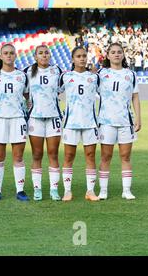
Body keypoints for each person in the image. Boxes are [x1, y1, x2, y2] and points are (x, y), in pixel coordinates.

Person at [97, 43, 141, 200]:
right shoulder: (101, 74)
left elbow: (135, 97)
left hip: (125, 121)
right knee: (105, 156)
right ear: (107, 56)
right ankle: (103, 191)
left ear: (123, 55)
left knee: (125, 156)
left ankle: (126, 190)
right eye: (113, 52)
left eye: (119, 52)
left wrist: (138, 117)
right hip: (106, 121)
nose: (116, 54)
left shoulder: (130, 74)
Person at [0, 44, 29, 201]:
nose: (9, 55)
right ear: (1, 56)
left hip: (18, 119)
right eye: (6, 53)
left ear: (16, 55)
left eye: (11, 53)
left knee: (18, 157)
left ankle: (20, 191)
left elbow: (27, 97)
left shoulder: (22, 76)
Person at [59, 47, 100, 202]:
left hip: (90, 123)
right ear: (72, 59)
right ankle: (67, 191)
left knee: (90, 156)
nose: (82, 58)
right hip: (71, 122)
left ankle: (90, 191)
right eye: (78, 56)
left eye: (84, 56)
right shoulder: (65, 76)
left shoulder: (94, 77)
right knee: (69, 156)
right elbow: (52, 91)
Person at [23, 45, 63, 201]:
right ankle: (37, 189)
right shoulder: (27, 72)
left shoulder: (57, 71)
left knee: (53, 153)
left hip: (53, 117)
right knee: (37, 154)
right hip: (35, 118)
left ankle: (54, 189)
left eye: (47, 53)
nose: (44, 55)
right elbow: (24, 91)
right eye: (41, 53)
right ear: (35, 56)